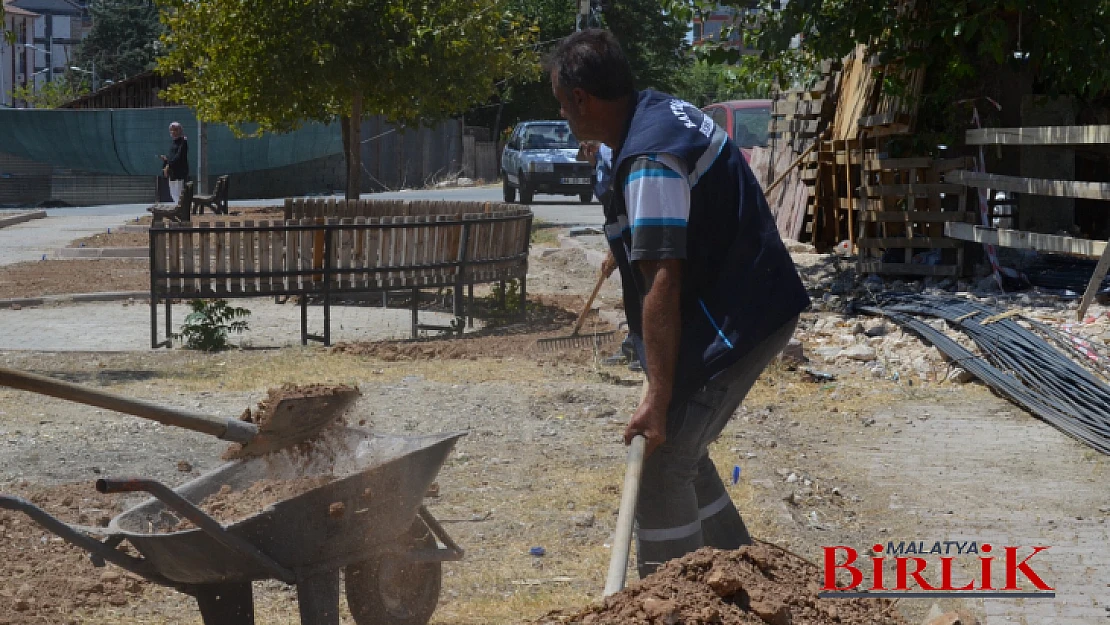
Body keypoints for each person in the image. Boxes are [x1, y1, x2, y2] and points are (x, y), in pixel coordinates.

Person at [547, 29, 810, 577]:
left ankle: (671, 603)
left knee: (665, 463)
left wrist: (659, 392)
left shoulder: (650, 156)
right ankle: (745, 575)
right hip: (740, 302)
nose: (565, 119)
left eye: (561, 105)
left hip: (740, 318)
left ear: (581, 99)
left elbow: (663, 277)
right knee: (684, 448)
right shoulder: (649, 119)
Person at [159, 122, 189, 204]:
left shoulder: (183, 141)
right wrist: (166, 160)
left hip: (179, 172)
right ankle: (178, 209)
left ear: (180, 130)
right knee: (173, 193)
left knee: (179, 193)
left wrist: (169, 165)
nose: (173, 132)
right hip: (172, 173)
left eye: (175, 130)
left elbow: (179, 156)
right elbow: (172, 156)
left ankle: (181, 211)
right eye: (171, 130)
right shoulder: (174, 143)